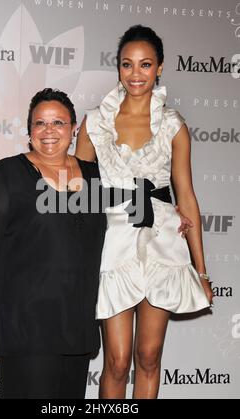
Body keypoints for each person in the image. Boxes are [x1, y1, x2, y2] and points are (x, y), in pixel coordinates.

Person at [75, 25, 213, 399]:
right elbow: (79, 195)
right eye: (127, 64)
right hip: (113, 241)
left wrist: (201, 270)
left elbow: (186, 195)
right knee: (117, 361)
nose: (136, 74)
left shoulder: (174, 126)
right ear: (118, 68)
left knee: (149, 356)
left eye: (145, 65)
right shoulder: (94, 122)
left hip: (162, 243)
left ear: (160, 68)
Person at [0, 88, 107, 399]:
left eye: (59, 123)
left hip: (77, 322)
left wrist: (171, 215)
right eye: (40, 123)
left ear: (74, 128)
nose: (49, 131)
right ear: (29, 130)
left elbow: (132, 211)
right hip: (27, 322)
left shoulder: (96, 177)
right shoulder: (7, 173)